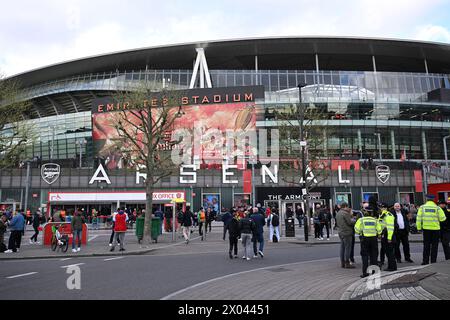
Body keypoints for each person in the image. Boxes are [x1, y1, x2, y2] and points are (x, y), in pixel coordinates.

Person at [417, 194, 447, 265]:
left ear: (427, 200)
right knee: (434, 246)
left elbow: (418, 218)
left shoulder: (422, 207)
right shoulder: (437, 208)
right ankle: (433, 261)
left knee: (426, 245)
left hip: (426, 229)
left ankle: (425, 261)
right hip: (435, 230)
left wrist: (419, 228)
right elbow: (443, 219)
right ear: (433, 200)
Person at [354, 208, 381, 278]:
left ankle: (365, 273)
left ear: (365, 213)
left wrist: (360, 233)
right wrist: (378, 234)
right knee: (374, 255)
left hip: (365, 239)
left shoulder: (361, 220)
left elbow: (356, 229)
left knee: (365, 256)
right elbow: (379, 230)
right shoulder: (375, 220)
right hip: (373, 239)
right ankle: (374, 272)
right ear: (371, 213)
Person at [336, 202, 355, 269]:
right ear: (345, 206)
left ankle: (342, 262)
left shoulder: (338, 213)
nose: (349, 208)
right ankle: (347, 263)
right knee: (347, 248)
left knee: (342, 247)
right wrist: (353, 218)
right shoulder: (346, 213)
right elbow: (350, 222)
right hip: (347, 232)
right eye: (348, 206)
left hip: (341, 232)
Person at [378, 203, 397, 272]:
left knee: (390, 253)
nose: (380, 209)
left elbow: (390, 228)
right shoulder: (382, 215)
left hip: (388, 236)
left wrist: (389, 238)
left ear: (385, 208)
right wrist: (380, 234)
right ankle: (391, 266)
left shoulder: (388, 215)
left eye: (381, 207)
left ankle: (392, 267)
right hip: (384, 235)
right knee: (388, 252)